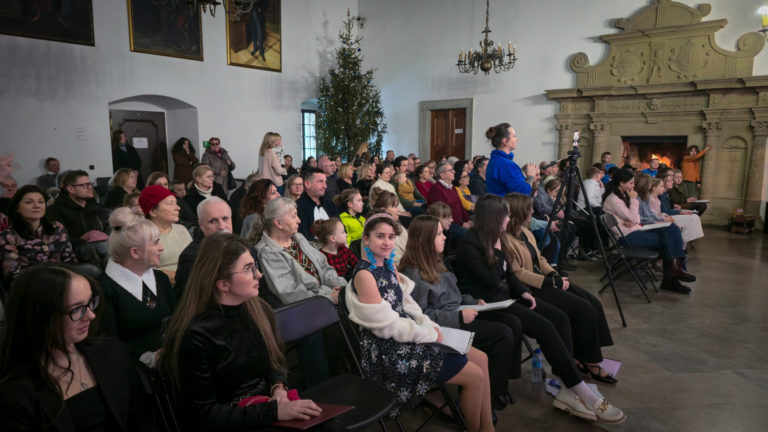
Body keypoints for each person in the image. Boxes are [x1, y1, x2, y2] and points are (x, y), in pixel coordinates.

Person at [454, 195, 626, 424]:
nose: (509, 219)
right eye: (505, 215)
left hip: (505, 298)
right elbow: (491, 281)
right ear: (494, 217)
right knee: (545, 327)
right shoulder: (469, 244)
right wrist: (498, 251)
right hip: (487, 304)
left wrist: (523, 291)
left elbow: (509, 274)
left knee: (559, 318)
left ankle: (567, 385)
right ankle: (579, 389)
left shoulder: (494, 237)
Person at [159, 234, 334, 431]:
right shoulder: (194, 335)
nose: (259, 274)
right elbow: (203, 415)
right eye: (248, 268)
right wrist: (273, 411)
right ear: (222, 284)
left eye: (254, 265)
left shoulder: (259, 310)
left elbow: (275, 363)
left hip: (262, 407)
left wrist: (278, 388)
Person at [345, 213, 495, 429]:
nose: (387, 242)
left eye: (390, 237)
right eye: (380, 236)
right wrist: (428, 333)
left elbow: (410, 306)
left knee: (481, 359)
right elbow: (385, 325)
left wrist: (429, 325)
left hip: (409, 335)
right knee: (475, 376)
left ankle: (488, 427)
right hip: (389, 350)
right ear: (366, 239)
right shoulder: (365, 275)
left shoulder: (388, 266)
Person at [0, 265, 157, 431]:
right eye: (77, 309)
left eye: (90, 303)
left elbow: (143, 416)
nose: (91, 315)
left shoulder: (112, 351)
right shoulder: (15, 395)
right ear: (41, 317)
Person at [402, 215, 522, 409]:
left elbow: (454, 295)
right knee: (503, 334)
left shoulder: (436, 261)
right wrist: (458, 316)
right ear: (424, 239)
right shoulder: (414, 273)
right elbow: (419, 316)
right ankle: (492, 394)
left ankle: (499, 380)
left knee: (512, 321)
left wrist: (473, 302)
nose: (445, 237)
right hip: (445, 327)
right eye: (439, 234)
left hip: (459, 313)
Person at [503, 193, 616, 383]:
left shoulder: (525, 232)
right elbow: (517, 273)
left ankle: (585, 355)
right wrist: (550, 282)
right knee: (583, 309)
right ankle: (589, 361)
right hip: (530, 288)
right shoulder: (505, 239)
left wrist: (553, 274)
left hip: (544, 281)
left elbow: (540, 259)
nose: (532, 211)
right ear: (519, 212)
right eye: (529, 209)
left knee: (592, 302)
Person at [99, 207, 177, 363]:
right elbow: (109, 344)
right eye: (156, 243)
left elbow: (177, 320)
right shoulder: (103, 289)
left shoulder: (160, 278)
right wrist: (147, 358)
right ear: (135, 252)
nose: (161, 248)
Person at [602, 169, 695, 294]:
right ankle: (673, 276)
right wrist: (634, 202)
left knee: (672, 229)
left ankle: (675, 271)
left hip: (635, 230)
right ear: (621, 183)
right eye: (631, 183)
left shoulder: (623, 195)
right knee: (668, 241)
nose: (633, 186)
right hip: (626, 237)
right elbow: (634, 218)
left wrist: (633, 219)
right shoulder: (613, 199)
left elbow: (635, 218)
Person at [254, 197, 346, 306]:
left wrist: (337, 285)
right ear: (279, 223)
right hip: (312, 307)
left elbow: (323, 266)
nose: (299, 220)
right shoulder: (268, 252)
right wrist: (329, 297)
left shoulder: (298, 238)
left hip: (326, 296)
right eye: (294, 216)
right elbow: (290, 293)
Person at [0, 185, 76, 281]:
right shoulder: (8, 236)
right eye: (29, 202)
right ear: (18, 208)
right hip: (31, 284)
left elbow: (70, 259)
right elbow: (12, 273)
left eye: (41, 202)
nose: (37, 206)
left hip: (63, 279)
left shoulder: (57, 227)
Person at [47, 170, 111, 264]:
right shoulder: (55, 210)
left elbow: (108, 226)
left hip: (101, 247)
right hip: (75, 252)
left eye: (90, 184)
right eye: (84, 185)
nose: (90, 187)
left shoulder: (95, 206)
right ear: (71, 189)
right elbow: (57, 237)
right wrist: (85, 239)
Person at [175, 196, 233, 297]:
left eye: (225, 219)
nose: (221, 226)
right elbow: (189, 297)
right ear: (201, 225)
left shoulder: (246, 248)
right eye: (213, 221)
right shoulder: (191, 257)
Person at [139, 185, 192, 282]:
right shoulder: (143, 235)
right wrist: (190, 277)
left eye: (176, 203)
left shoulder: (181, 229)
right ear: (152, 211)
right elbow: (149, 273)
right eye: (170, 203)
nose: (178, 208)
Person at [485, 123, 538, 196]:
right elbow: (522, 194)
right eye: (514, 136)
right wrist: (530, 176)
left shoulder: (496, 160)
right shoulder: (505, 164)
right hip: (504, 203)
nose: (517, 139)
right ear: (505, 141)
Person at [657, 174, 704, 245]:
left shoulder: (666, 193)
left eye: (671, 180)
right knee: (693, 218)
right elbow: (665, 212)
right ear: (663, 183)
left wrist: (675, 207)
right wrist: (680, 212)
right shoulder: (661, 195)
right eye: (669, 181)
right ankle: (680, 242)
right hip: (665, 217)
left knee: (695, 216)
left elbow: (668, 207)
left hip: (669, 214)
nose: (672, 182)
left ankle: (682, 241)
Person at [427, 162, 471, 230]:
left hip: (459, 222)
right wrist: (462, 224)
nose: (454, 172)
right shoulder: (436, 189)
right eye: (450, 170)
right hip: (448, 225)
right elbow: (442, 213)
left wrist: (468, 220)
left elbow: (460, 205)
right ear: (443, 175)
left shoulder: (452, 187)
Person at [296, 167, 338, 240]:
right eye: (320, 181)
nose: (325, 186)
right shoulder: (298, 207)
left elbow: (340, 228)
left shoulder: (330, 205)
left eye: (325, 182)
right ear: (307, 184)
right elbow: (303, 237)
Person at [370, 189, 408, 265]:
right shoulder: (373, 231)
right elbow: (392, 262)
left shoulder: (399, 226)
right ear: (383, 210)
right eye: (394, 206)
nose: (399, 210)